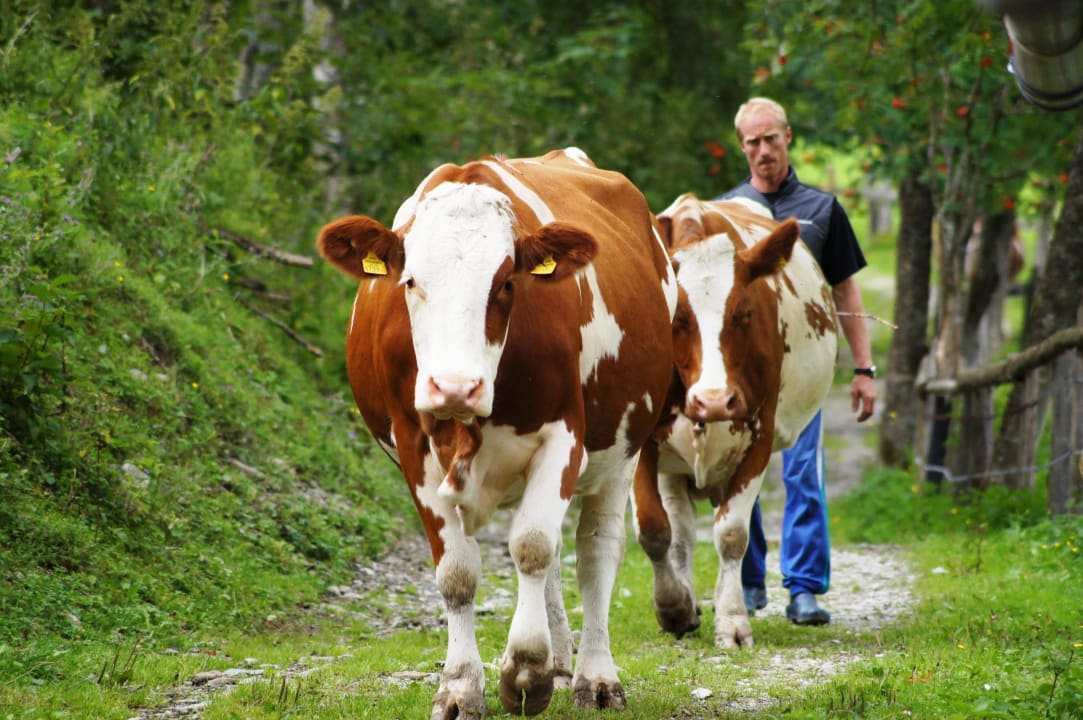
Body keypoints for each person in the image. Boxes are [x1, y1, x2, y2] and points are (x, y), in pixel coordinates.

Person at [718, 97, 877, 626]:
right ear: (742, 147)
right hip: (745, 369)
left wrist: (863, 369)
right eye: (753, 142)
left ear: (789, 137)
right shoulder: (726, 212)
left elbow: (847, 293)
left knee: (804, 470)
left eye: (772, 139)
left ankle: (805, 589)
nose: (763, 151)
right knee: (742, 469)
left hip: (803, 368)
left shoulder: (821, 209)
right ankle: (748, 581)